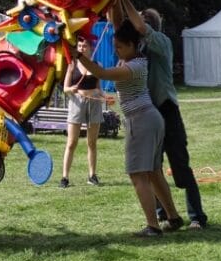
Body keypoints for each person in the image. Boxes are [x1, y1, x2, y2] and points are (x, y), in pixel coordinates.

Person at [70, 13, 181, 238]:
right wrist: (116, 0)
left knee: (137, 173)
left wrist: (78, 56)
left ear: (132, 45)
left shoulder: (134, 66)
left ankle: (153, 226)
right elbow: (120, 21)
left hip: (141, 121)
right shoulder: (133, 59)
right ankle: (174, 217)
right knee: (153, 172)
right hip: (149, 119)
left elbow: (100, 72)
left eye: (120, 47)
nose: (116, 50)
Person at [117, 0, 208, 231]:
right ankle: (165, 215)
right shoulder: (136, 50)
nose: (139, 23)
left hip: (166, 109)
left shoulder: (162, 42)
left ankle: (196, 216)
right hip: (147, 113)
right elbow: (120, 25)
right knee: (151, 166)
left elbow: (137, 26)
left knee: (180, 165)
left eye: (143, 20)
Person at [59, 36, 103, 188]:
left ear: (90, 48)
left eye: (85, 46)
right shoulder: (72, 65)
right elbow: (65, 88)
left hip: (94, 103)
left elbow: (99, 88)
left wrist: (105, 98)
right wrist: (71, 89)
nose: (82, 48)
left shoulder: (96, 65)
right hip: (77, 103)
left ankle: (92, 175)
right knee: (72, 142)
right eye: (79, 46)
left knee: (92, 143)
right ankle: (65, 177)